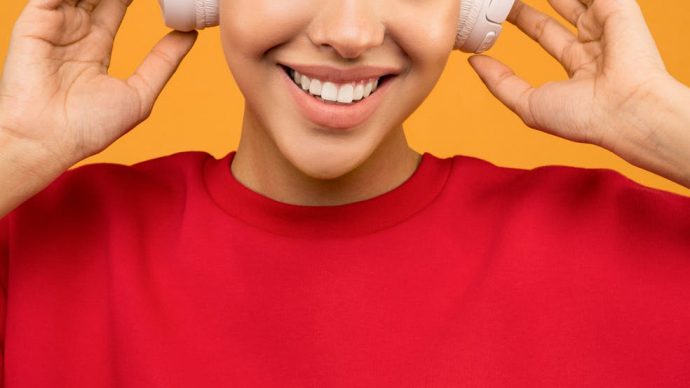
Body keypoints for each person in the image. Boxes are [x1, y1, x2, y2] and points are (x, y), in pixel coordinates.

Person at [0, 0, 689, 386]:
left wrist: (664, 125)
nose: (349, 34)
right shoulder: (37, 246)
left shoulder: (625, 252)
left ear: (472, 9)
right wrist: (13, 151)